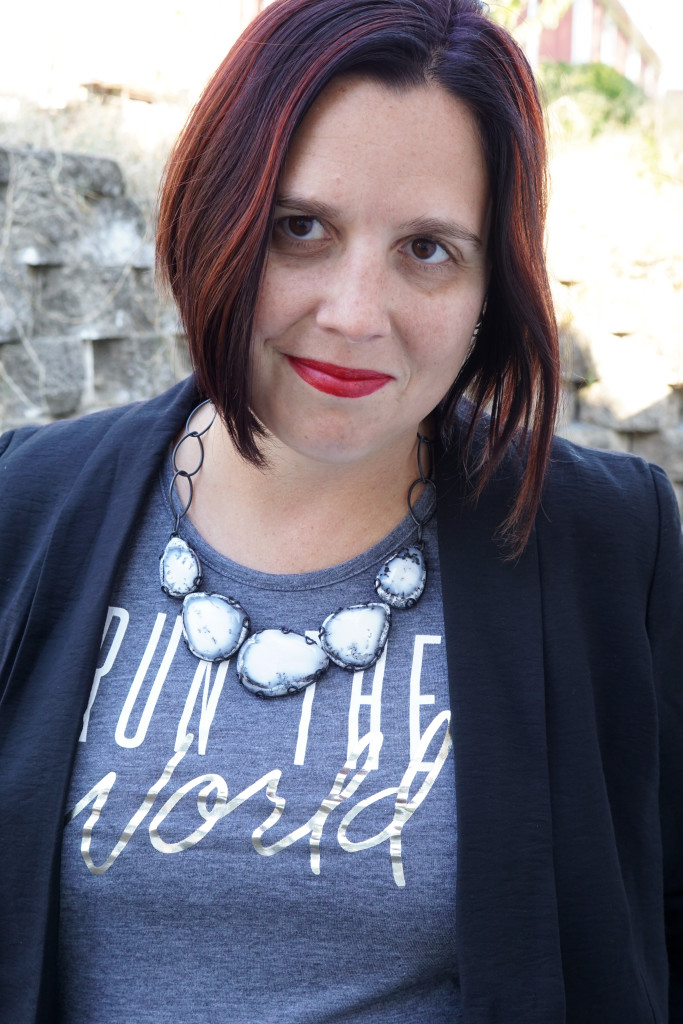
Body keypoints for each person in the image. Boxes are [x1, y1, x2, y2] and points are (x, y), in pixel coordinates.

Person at [0, 0, 681, 1020]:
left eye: (427, 249)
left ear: (492, 283)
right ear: (213, 214)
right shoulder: (26, 507)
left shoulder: (608, 548)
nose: (355, 314)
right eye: (299, 228)